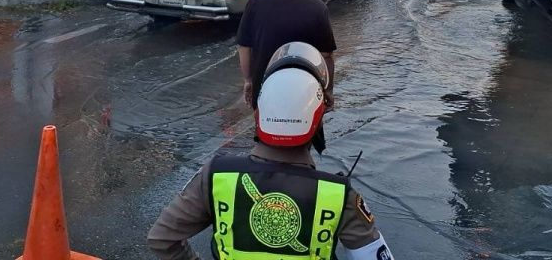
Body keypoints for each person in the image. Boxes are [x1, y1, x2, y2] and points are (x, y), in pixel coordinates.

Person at [147, 43, 393, 259]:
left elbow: (161, 239)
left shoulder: (216, 175)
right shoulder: (339, 196)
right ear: (317, 118)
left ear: (260, 112)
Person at [237, 0, 336, 147]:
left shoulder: (256, 2)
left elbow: (244, 47)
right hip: (304, 96)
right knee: (302, 144)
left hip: (263, 91)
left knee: (265, 143)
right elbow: (326, 56)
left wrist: (248, 81)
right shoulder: (317, 8)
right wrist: (328, 91)